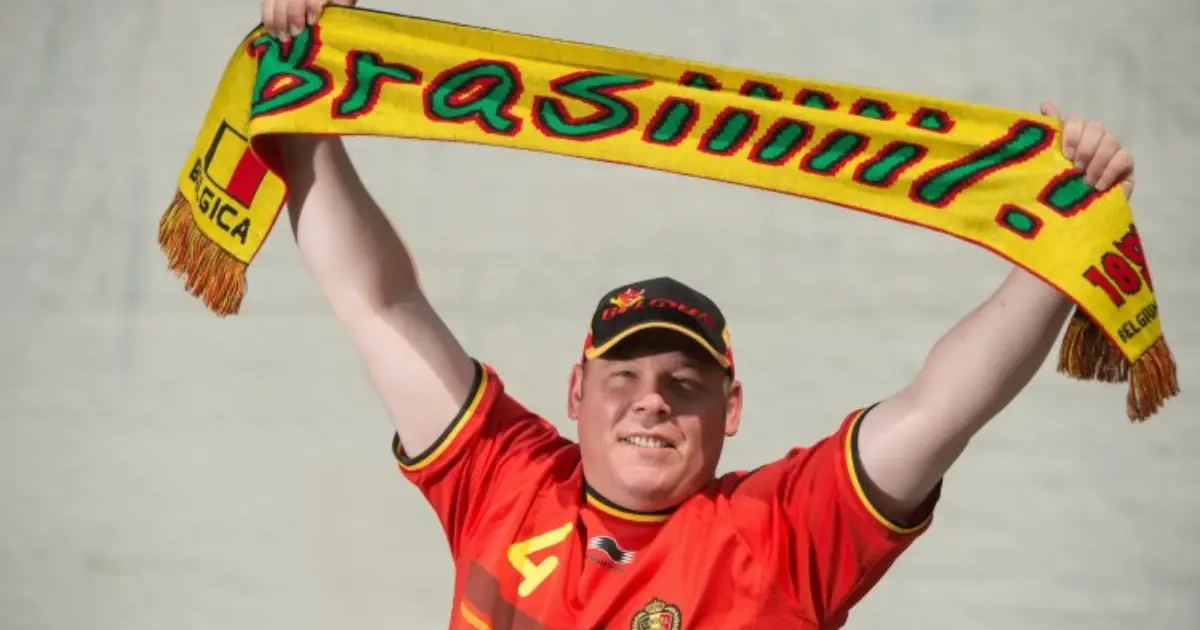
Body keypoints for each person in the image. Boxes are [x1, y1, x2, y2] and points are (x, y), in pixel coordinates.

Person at [261, 1, 1138, 627]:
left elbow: (941, 407)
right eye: (624, 375)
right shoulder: (503, 481)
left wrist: (1056, 249)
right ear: (575, 392)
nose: (651, 399)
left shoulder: (782, 532)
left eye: (685, 382)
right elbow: (378, 302)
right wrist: (305, 113)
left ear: (733, 407)